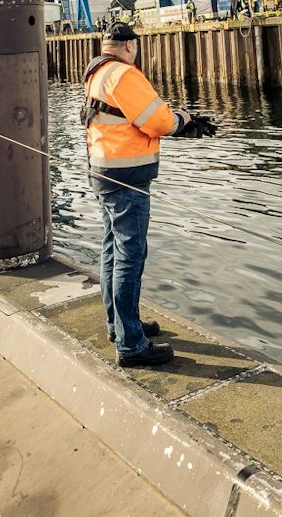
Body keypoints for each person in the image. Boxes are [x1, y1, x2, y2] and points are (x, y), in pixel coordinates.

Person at [81, 23, 217, 367]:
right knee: (130, 255)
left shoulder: (96, 72)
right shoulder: (125, 75)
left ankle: (120, 325)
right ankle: (131, 345)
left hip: (103, 171)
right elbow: (156, 121)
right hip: (127, 178)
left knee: (112, 251)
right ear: (129, 47)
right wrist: (184, 120)